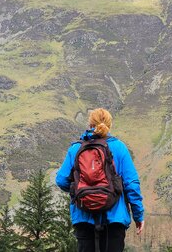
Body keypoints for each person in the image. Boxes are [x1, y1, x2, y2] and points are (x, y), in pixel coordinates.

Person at [55, 108, 144, 252]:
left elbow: (61, 180)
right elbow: (131, 185)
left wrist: (78, 188)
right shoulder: (119, 148)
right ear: (109, 125)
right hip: (114, 220)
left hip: (84, 218)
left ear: (90, 124)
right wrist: (138, 216)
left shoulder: (76, 148)